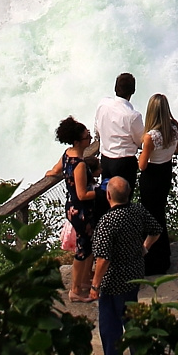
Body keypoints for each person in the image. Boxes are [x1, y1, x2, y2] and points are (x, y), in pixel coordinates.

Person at [89, 176, 162, 355]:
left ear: (108, 195)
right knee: (131, 316)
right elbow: (156, 230)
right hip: (135, 273)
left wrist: (95, 285)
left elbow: (103, 259)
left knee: (110, 323)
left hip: (113, 281)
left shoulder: (107, 222)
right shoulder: (137, 210)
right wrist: (144, 249)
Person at [45, 117, 103, 302]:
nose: (89, 139)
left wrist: (51, 175)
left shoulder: (67, 154)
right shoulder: (79, 164)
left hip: (72, 208)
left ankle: (85, 281)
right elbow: (82, 194)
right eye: (87, 137)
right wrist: (103, 191)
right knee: (82, 250)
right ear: (78, 141)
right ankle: (76, 290)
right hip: (81, 210)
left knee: (88, 246)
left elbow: (54, 170)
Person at [138, 93, 178, 275]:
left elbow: (142, 164)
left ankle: (151, 260)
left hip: (151, 177)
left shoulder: (150, 136)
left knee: (149, 217)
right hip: (165, 173)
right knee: (159, 214)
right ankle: (163, 256)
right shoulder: (174, 128)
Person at [94, 73, 144, 189]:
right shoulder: (133, 116)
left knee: (107, 194)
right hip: (124, 163)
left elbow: (97, 129)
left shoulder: (103, 104)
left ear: (115, 88)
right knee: (123, 199)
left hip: (105, 159)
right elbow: (140, 141)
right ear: (133, 91)